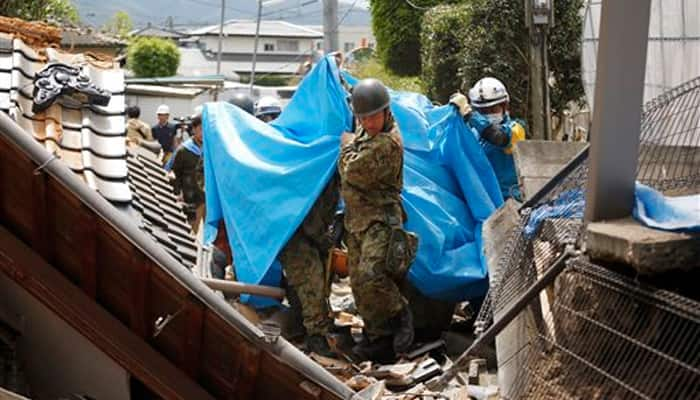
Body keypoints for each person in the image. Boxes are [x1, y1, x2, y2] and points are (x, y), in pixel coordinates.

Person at [338, 78, 418, 362]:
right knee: (358, 283)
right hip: (357, 220)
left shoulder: (387, 143)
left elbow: (351, 170)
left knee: (373, 276)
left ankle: (400, 311)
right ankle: (378, 339)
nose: (368, 123)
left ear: (386, 112)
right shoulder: (367, 130)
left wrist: (346, 145)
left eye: (373, 116)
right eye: (363, 117)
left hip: (380, 221)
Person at [450, 77, 526, 200]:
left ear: (504, 106)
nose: (488, 114)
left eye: (493, 109)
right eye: (482, 111)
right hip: (479, 200)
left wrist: (471, 115)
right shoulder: (473, 131)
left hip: (509, 201)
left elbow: (498, 138)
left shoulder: (516, 129)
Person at [169, 114, 204, 232]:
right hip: (191, 198)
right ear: (193, 129)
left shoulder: (210, 150)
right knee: (191, 231)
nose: (204, 134)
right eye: (201, 129)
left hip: (207, 198)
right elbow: (175, 173)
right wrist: (177, 193)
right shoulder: (184, 150)